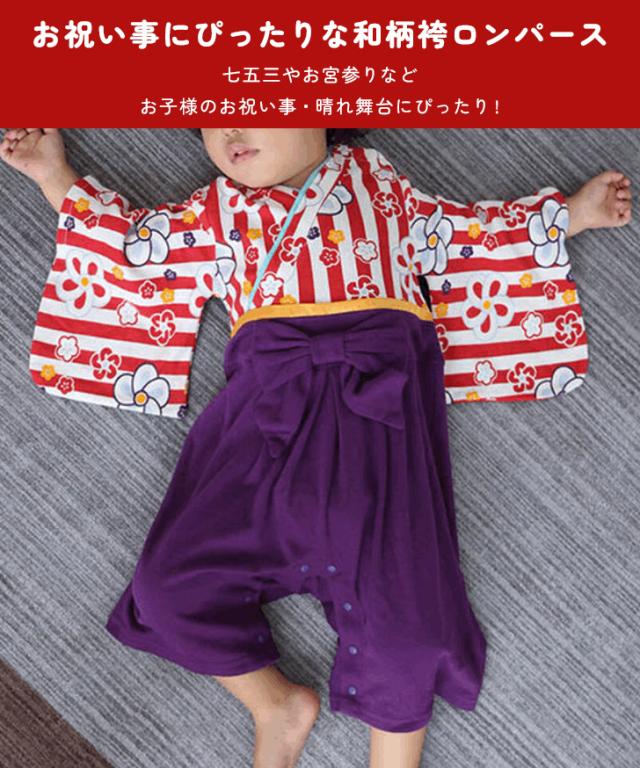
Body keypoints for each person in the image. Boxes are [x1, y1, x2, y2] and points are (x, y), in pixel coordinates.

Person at [1, 127, 632, 768]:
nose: (231, 131)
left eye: (256, 108)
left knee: (412, 630)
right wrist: (54, 174)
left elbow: (465, 236)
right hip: (265, 433)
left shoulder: (378, 185)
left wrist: (569, 216)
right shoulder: (219, 210)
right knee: (166, 590)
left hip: (377, 435)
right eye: (213, 119)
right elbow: (137, 248)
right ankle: (273, 704)